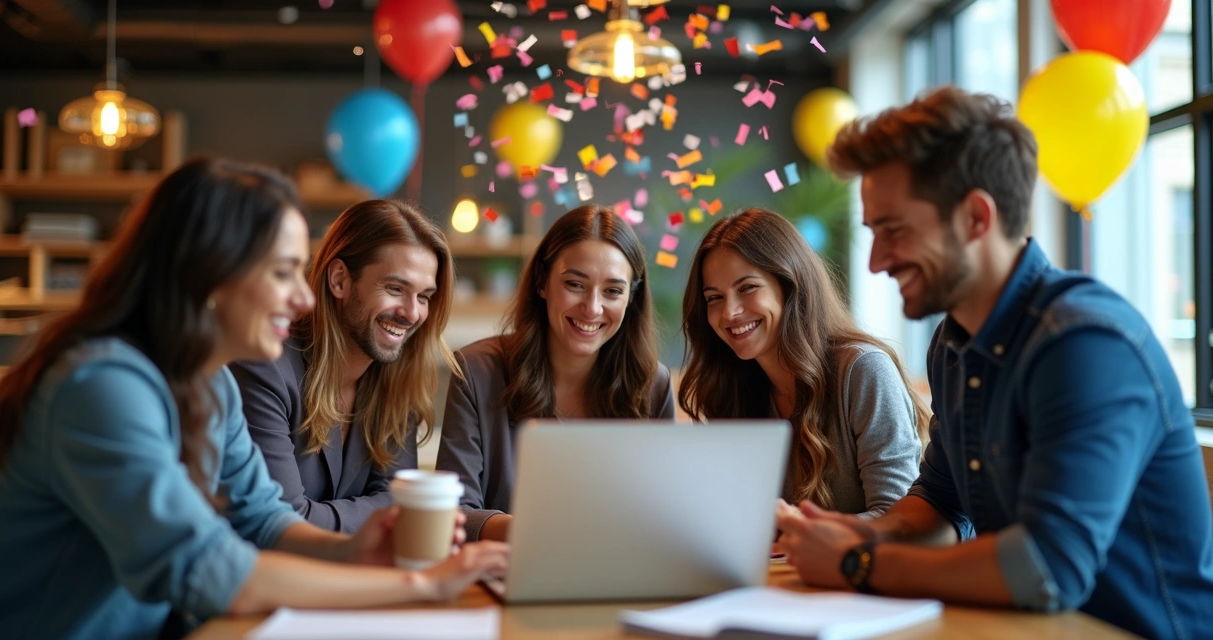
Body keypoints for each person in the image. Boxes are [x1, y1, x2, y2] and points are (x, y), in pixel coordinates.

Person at [0, 158, 507, 640]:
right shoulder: (101, 385)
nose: (304, 297)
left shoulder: (210, 384)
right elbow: (206, 569)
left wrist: (356, 549)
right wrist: (420, 585)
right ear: (210, 273)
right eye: (283, 272)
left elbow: (264, 519)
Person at [775, 86, 1213, 639]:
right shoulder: (953, 343)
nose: (876, 261)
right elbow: (939, 501)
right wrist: (855, 534)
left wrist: (858, 563)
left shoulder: (1083, 342)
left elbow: (1046, 569)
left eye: (894, 231)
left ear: (976, 217)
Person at [436, 204, 675, 542]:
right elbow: (452, 512)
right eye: (575, 284)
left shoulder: (653, 385)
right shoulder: (477, 373)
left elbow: (662, 516)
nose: (592, 308)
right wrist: (542, 533)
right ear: (542, 283)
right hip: (507, 567)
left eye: (612, 291)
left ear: (631, 299)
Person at [680, 208, 925, 518]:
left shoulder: (864, 370)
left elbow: (897, 518)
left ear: (790, 285)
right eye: (714, 297)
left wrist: (804, 532)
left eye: (747, 288)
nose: (729, 312)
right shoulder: (730, 389)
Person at [230, 199, 457, 533]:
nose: (412, 313)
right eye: (395, 288)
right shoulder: (265, 367)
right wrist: (385, 516)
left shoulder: (396, 377)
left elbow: (402, 503)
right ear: (339, 280)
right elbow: (282, 524)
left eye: (424, 296)